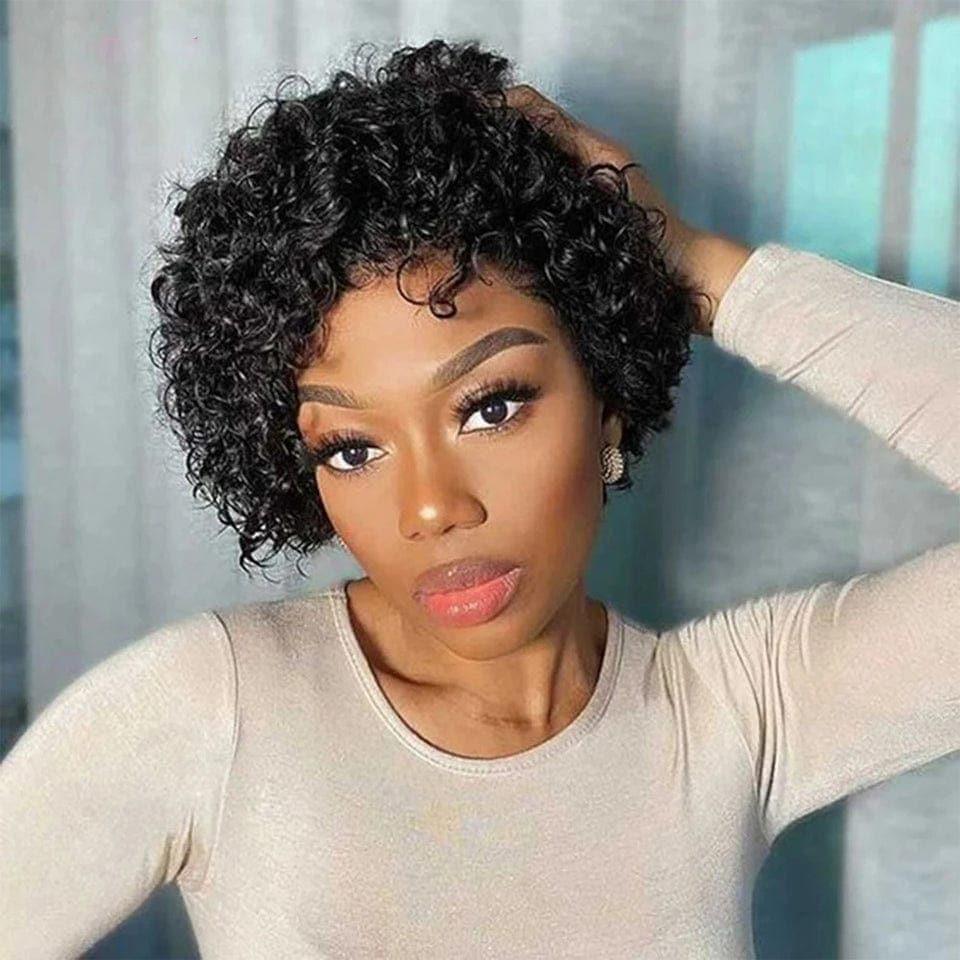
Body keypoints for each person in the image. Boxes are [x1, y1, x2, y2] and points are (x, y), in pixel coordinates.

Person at [2, 38, 957, 960]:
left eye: (490, 406)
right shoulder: (211, 711)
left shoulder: (738, 715)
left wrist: (690, 264)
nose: (431, 508)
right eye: (353, 448)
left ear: (608, 401)